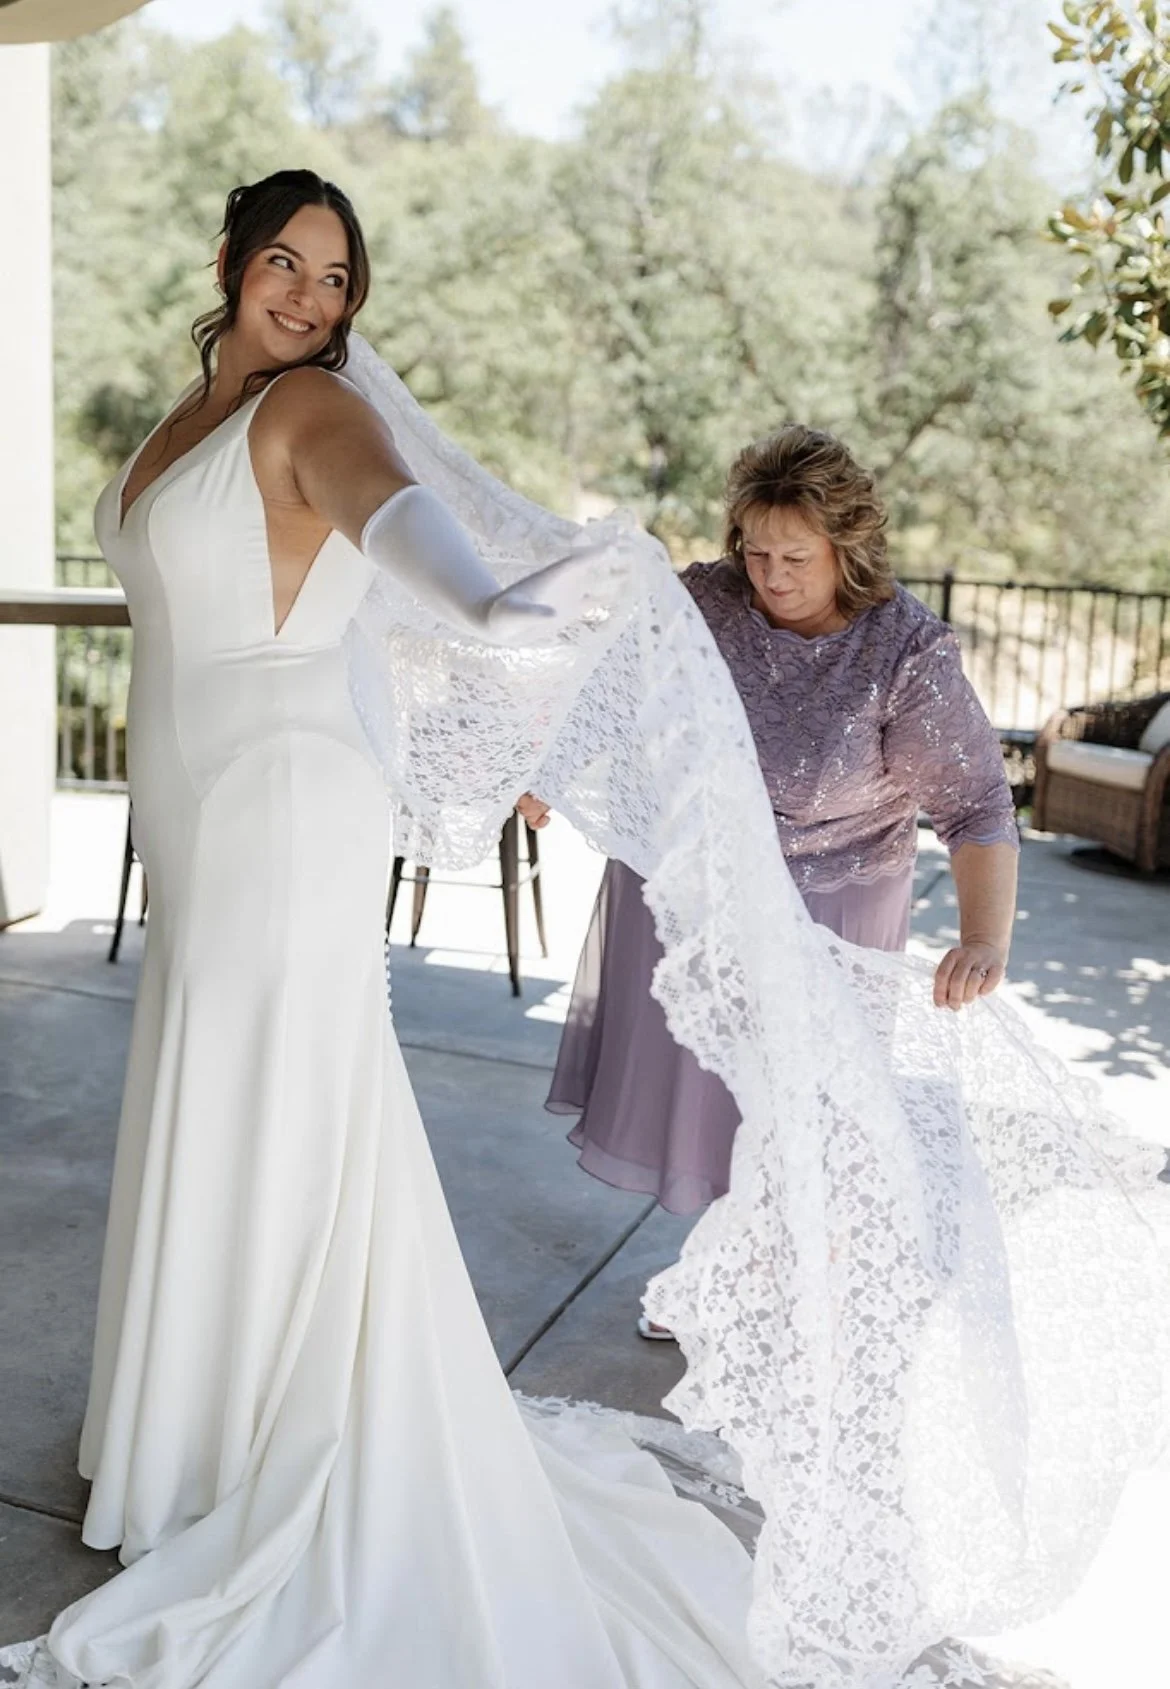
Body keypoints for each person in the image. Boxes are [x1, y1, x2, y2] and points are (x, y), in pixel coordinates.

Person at [3, 171, 1167, 1689]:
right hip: (201, 791)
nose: (306, 296)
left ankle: (242, 1442)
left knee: (278, 1096)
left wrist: (483, 611)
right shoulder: (188, 413)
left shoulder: (313, 413)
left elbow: (397, 522)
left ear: (355, 305)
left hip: (288, 799)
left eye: (337, 278)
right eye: (284, 263)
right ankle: (182, 1426)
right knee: (205, 1082)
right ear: (229, 261)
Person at [540, 426, 1019, 1238]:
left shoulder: (904, 651)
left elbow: (976, 804)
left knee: (804, 1112)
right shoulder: (707, 601)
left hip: (831, 902)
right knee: (709, 1099)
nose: (771, 577)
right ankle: (717, 1272)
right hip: (702, 885)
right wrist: (546, 769)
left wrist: (983, 938)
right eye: (757, 553)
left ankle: (795, 1279)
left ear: (847, 549)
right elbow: (610, 682)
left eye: (797, 559)